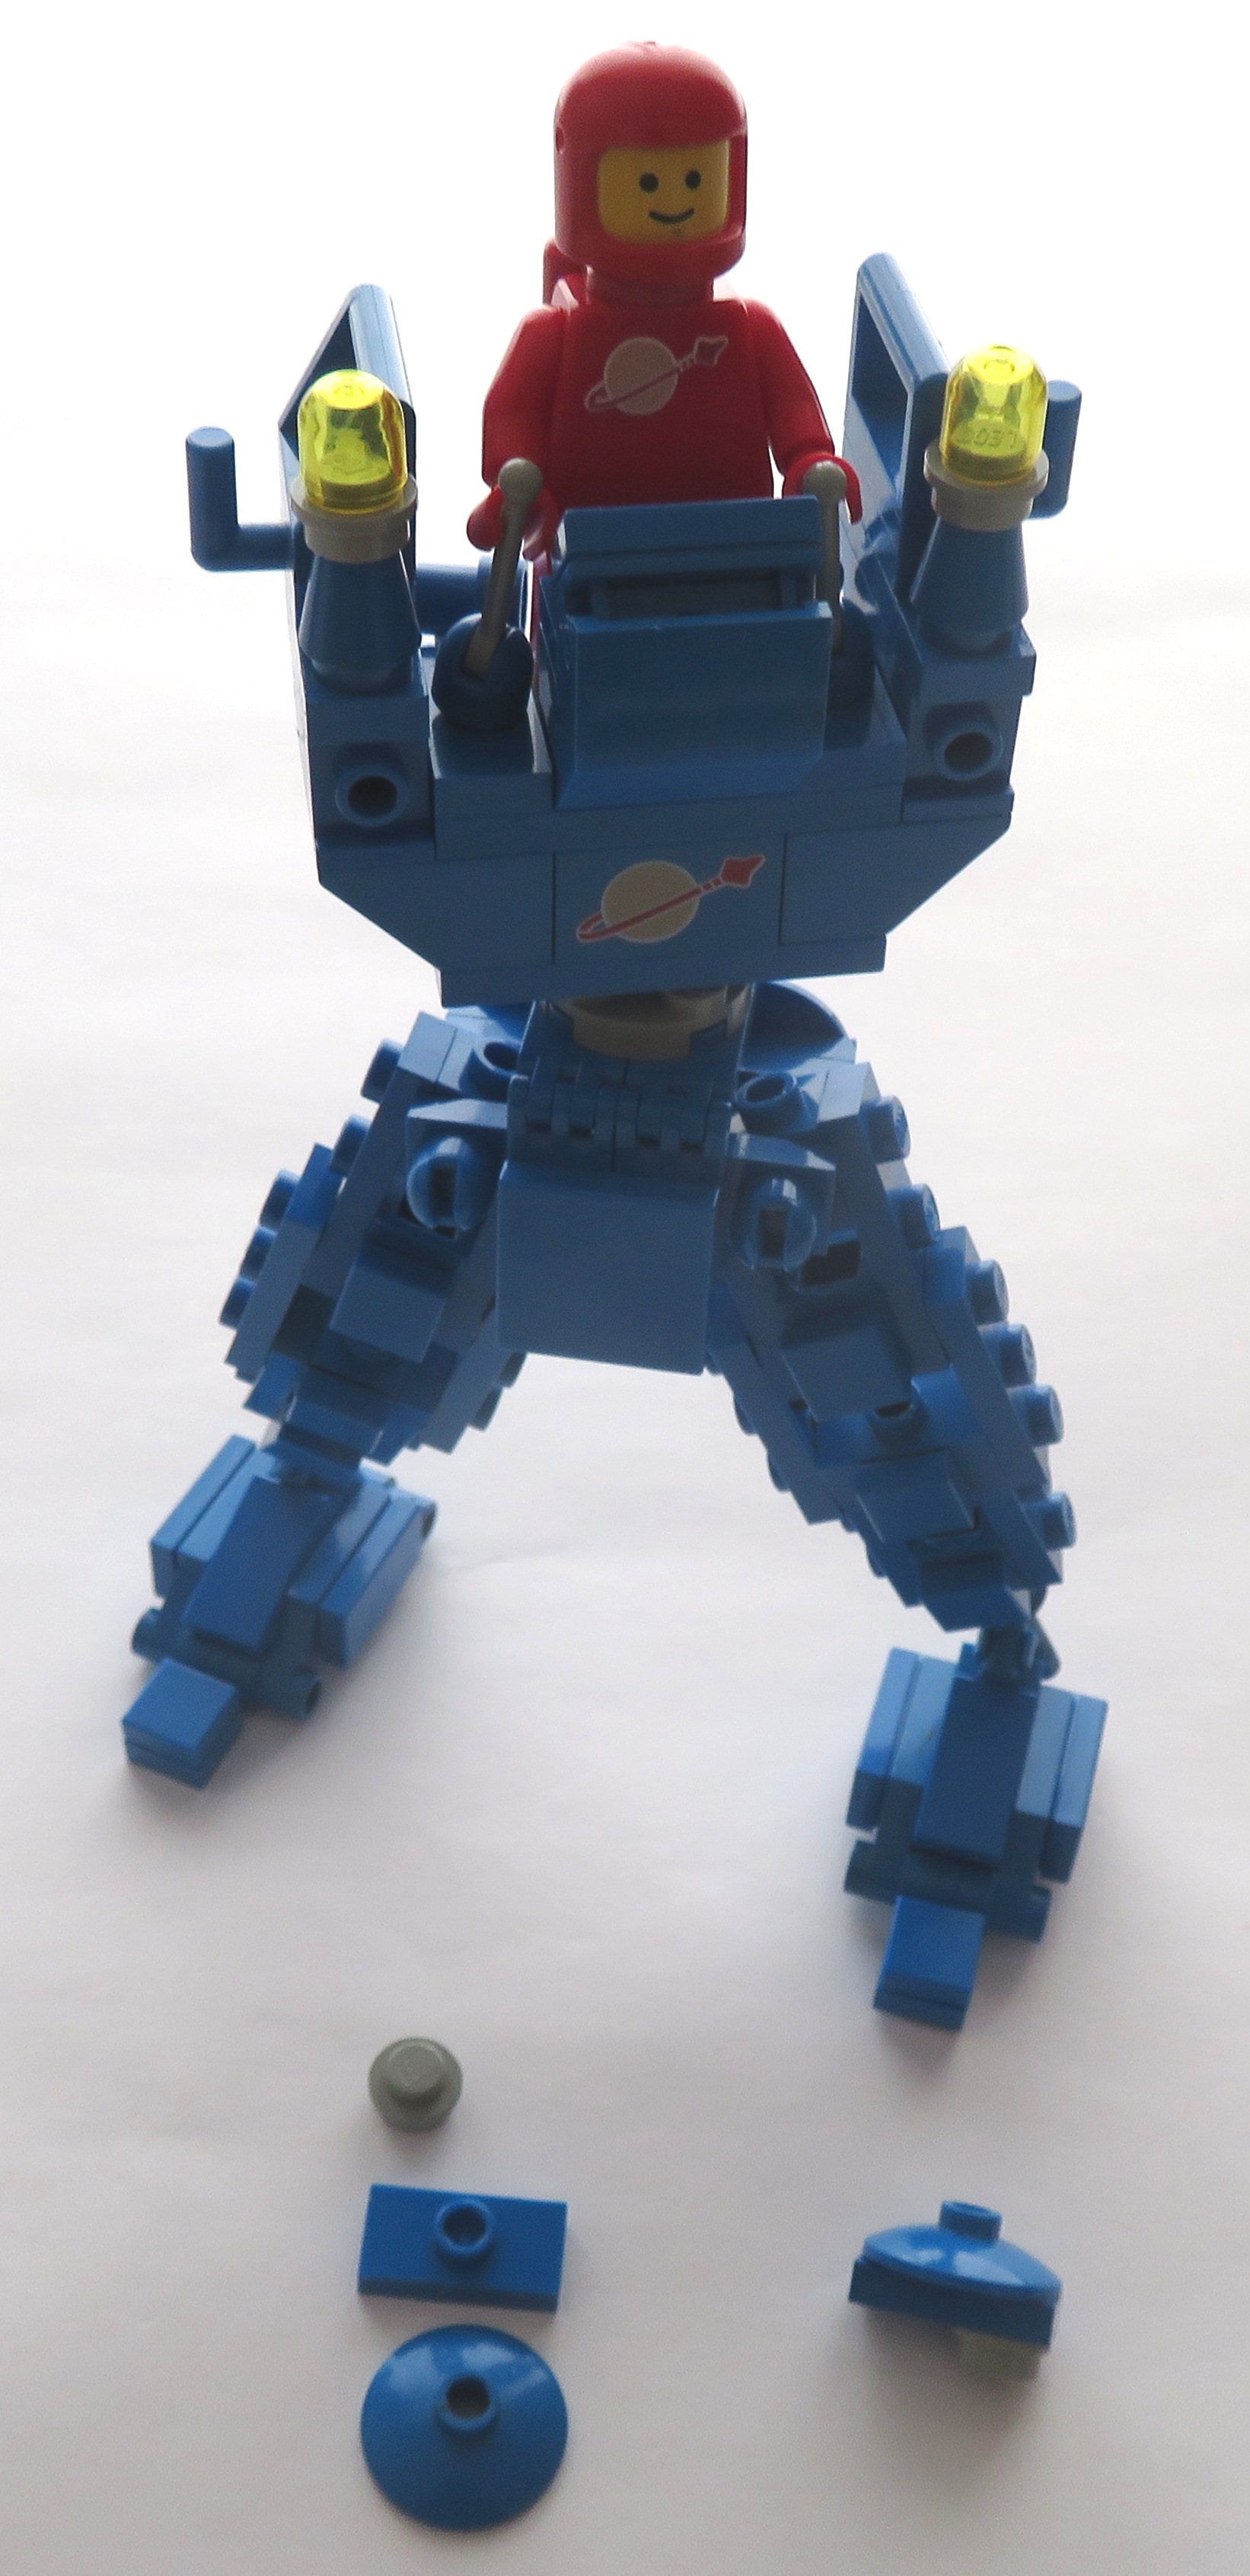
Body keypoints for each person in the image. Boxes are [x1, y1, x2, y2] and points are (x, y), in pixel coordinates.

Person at [467, 42, 862, 563]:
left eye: (695, 179)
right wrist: (516, 483)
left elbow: (791, 404)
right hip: (586, 552)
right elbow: (511, 412)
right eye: (647, 182)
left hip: (736, 544)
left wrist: (808, 458)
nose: (674, 202)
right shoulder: (551, 334)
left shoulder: (750, 328)